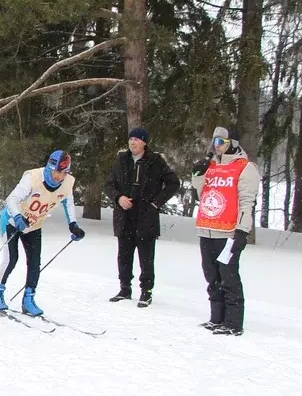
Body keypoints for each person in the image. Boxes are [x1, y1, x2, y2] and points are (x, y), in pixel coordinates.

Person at [0, 150, 84, 316]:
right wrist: (18, 217)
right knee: (11, 258)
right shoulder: (32, 177)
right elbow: (12, 199)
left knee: (34, 263)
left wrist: (73, 225)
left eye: (64, 173)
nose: (60, 177)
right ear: (49, 167)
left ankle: (28, 299)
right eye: (57, 172)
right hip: (13, 221)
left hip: (34, 224)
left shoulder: (67, 182)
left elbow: (68, 201)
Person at [192, 125, 260, 335]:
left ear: (233, 143)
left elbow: (247, 201)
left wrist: (242, 230)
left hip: (228, 232)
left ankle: (233, 322)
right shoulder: (211, 165)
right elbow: (200, 193)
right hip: (207, 228)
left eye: (222, 141)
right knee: (211, 275)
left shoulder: (245, 167)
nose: (217, 146)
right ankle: (217, 317)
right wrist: (198, 173)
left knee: (228, 276)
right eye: (215, 141)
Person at [105, 126, 180, 306]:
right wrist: (118, 198)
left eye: (137, 139)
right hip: (124, 215)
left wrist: (156, 203)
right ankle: (124, 288)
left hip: (146, 216)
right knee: (124, 254)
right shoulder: (121, 160)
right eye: (131, 139)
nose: (133, 142)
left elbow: (173, 183)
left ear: (144, 143)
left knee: (146, 256)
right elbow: (108, 185)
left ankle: (146, 291)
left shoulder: (155, 161)